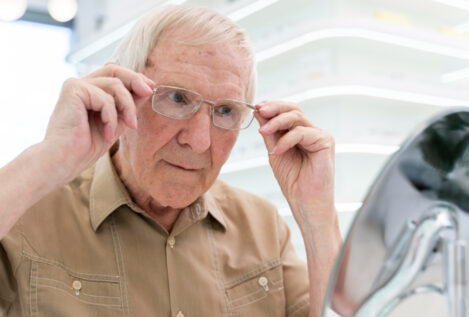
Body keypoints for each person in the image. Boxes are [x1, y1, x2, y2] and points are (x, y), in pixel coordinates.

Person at [0, 5, 341, 317]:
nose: (199, 141)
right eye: (177, 98)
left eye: (225, 110)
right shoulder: (26, 216)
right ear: (121, 91)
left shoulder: (263, 227)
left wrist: (318, 216)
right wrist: (47, 159)